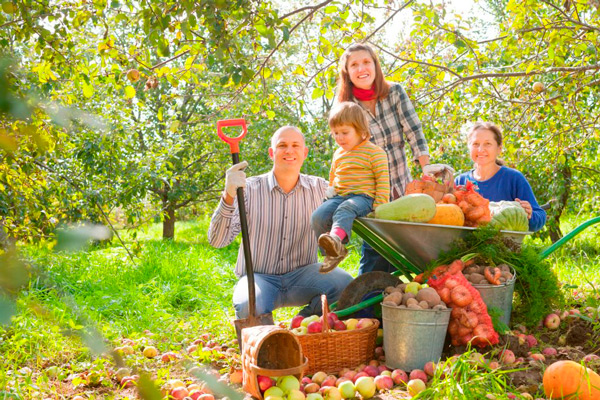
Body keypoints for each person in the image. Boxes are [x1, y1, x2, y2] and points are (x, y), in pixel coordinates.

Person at [208, 126, 354, 319]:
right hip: (259, 278)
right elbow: (217, 241)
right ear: (271, 153)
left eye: (295, 145)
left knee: (345, 285)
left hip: (304, 276)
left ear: (304, 152)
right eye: (282, 145)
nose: (289, 150)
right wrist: (228, 194)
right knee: (247, 305)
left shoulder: (321, 189)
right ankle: (268, 344)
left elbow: (354, 198)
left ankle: (304, 323)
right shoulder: (248, 190)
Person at [336, 42, 451, 274]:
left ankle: (397, 296)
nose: (362, 69)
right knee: (375, 251)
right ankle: (368, 299)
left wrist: (426, 167)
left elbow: (413, 131)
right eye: (354, 65)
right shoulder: (345, 107)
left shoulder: (394, 92)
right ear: (347, 72)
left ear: (375, 65)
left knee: (405, 246)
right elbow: (345, 150)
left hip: (400, 186)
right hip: (370, 191)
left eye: (366, 62)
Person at [311, 102, 390, 273]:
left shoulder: (375, 153)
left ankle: (336, 241)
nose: (339, 138)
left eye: (345, 133)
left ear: (361, 131)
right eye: (335, 133)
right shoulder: (338, 153)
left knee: (345, 209)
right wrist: (331, 189)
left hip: (364, 197)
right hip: (341, 196)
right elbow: (334, 175)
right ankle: (332, 253)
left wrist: (379, 207)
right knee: (318, 215)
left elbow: (383, 181)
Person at [454, 121, 546, 232]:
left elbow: (540, 217)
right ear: (469, 147)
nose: (480, 149)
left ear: (499, 148)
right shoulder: (460, 181)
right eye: (475, 144)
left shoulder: (513, 178)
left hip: (504, 247)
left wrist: (530, 215)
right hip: (464, 247)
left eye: (488, 144)